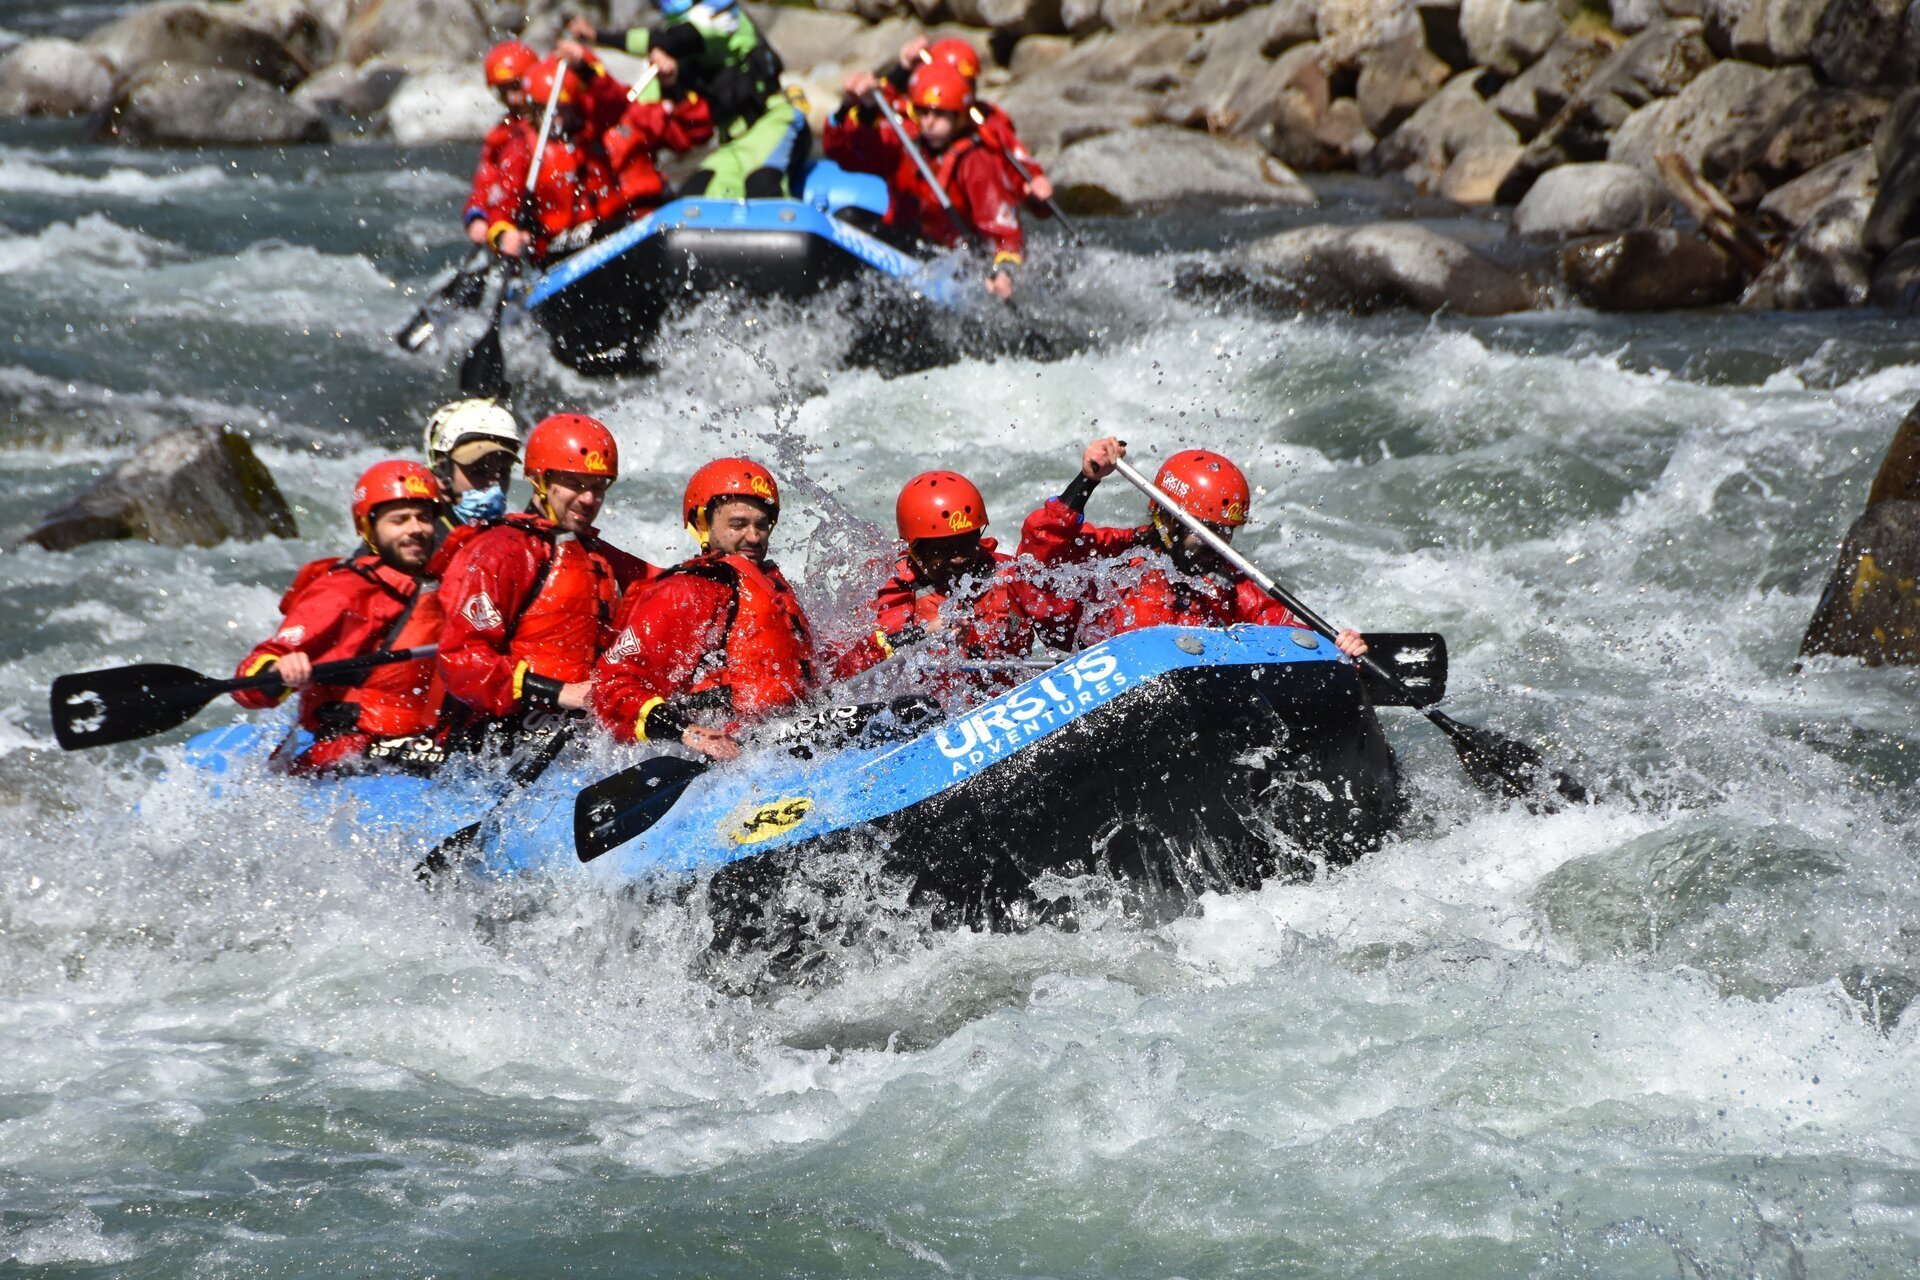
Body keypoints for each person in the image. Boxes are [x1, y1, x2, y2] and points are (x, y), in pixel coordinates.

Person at [1018, 437, 1369, 656]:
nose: (1220, 545)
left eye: (1226, 532)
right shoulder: (1117, 555)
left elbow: (1284, 631)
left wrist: (1335, 648)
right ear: (1169, 519)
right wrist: (1087, 481)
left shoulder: (1231, 583)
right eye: (1208, 531)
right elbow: (1039, 556)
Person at [434, 412, 658, 744]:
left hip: (569, 740)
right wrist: (560, 692)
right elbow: (462, 659)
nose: (588, 499)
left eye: (597, 487)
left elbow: (669, 588)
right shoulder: (501, 550)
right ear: (540, 480)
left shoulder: (598, 555)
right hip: (498, 741)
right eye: (575, 484)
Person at [231, 461, 449, 775]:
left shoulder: (441, 583)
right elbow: (251, 679)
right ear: (369, 528)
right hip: (351, 752)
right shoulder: (344, 592)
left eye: (423, 518)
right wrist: (278, 669)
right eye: (399, 520)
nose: (415, 529)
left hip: (419, 742)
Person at [593, 458, 815, 761]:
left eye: (761, 525)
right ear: (702, 524)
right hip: (725, 757)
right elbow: (611, 687)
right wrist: (691, 734)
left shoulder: (770, 586)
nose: (753, 537)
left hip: (776, 739)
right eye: (738, 524)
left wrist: (883, 645)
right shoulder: (687, 592)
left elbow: (812, 676)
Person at [833, 470, 1073, 702]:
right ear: (915, 548)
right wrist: (924, 633)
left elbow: (1065, 631)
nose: (959, 558)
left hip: (1012, 703)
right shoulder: (890, 590)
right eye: (945, 549)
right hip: (937, 718)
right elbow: (856, 669)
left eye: (967, 544)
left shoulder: (1008, 575)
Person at [566, 0, 806, 200]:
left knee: (761, 185)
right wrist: (669, 83)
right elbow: (637, 109)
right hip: (731, 143)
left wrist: (599, 36)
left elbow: (672, 39)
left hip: (773, 123)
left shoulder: (723, 15)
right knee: (695, 194)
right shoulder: (670, 49)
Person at [822, 63, 1024, 298]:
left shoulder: (976, 161)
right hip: (912, 241)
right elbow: (844, 153)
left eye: (939, 114)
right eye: (924, 113)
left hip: (954, 258)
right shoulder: (909, 146)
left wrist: (1004, 271)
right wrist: (850, 108)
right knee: (847, 218)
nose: (929, 122)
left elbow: (1004, 233)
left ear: (958, 117)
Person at [873, 36, 1053, 215]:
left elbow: (1018, 162)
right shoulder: (915, 115)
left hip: (959, 219)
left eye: (968, 82)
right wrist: (901, 70)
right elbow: (869, 122)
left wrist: (1033, 184)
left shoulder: (987, 126)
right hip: (913, 216)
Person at [471, 55, 625, 261]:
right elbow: (502, 206)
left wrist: (583, 64)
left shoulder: (590, 133)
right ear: (535, 109)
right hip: (556, 245)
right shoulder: (520, 147)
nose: (557, 118)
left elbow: (617, 103)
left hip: (611, 227)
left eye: (565, 110)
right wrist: (502, 235)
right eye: (550, 111)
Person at [463, 40, 538, 251]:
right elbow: (485, 185)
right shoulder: (501, 135)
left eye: (516, 87)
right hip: (516, 232)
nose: (511, 99)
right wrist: (476, 216)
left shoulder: (556, 122)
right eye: (503, 91)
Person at [423, 398, 522, 528]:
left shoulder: (512, 536)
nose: (494, 483)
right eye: (479, 471)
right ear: (441, 475)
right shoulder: (424, 542)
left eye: (503, 473)